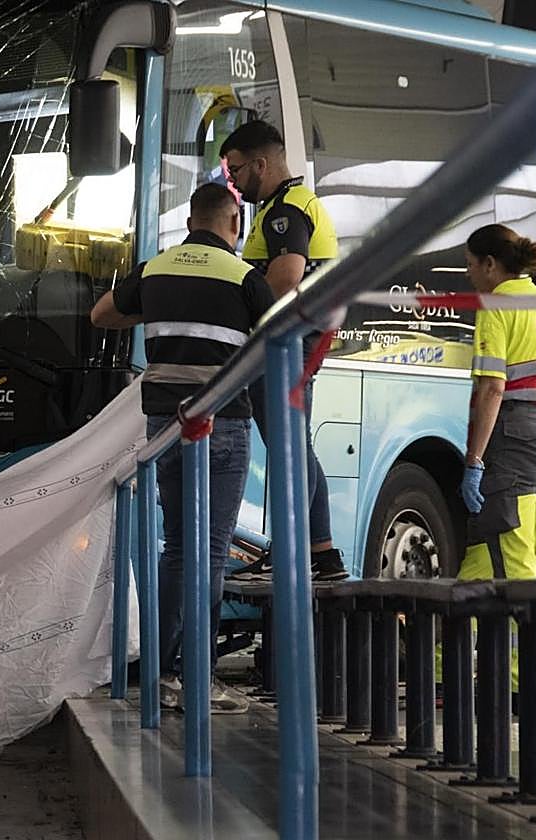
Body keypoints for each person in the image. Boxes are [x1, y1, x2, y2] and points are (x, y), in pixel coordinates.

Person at [91, 182, 274, 713]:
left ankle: (165, 672)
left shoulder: (154, 269)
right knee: (210, 554)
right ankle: (196, 678)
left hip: (164, 429)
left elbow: (101, 315)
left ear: (191, 220)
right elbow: (274, 342)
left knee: (176, 549)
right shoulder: (245, 277)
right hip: (222, 427)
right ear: (233, 223)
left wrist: (150, 316)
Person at [219, 120, 348, 582]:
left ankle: (295, 549)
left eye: (236, 171)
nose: (232, 182)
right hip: (299, 340)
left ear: (261, 163)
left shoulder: (285, 211)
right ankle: (321, 553)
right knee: (294, 446)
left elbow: (286, 277)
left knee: (289, 447)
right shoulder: (287, 203)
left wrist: (246, 325)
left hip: (287, 342)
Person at [459, 224, 536, 582]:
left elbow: (493, 388)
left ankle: (514, 638)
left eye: (470, 265)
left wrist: (474, 459)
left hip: (515, 437)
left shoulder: (496, 305)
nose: (468, 273)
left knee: (509, 553)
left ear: (490, 264)